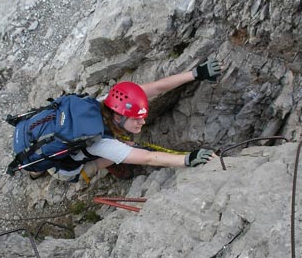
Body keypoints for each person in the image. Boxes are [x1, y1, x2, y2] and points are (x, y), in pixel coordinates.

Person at [32, 59, 222, 182]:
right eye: (137, 120)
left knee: (126, 143)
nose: (143, 123)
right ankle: (40, 167)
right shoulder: (103, 143)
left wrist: (196, 74)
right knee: (113, 154)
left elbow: (157, 87)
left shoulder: (110, 100)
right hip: (68, 170)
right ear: (118, 116)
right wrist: (188, 159)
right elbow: (149, 157)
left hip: (50, 133)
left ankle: (35, 166)